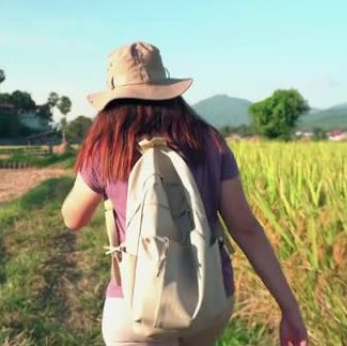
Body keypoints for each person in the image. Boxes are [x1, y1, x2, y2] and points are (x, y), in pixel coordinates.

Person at [61, 41, 308, 346]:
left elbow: (73, 219)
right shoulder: (208, 140)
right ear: (167, 87)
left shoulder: (106, 148)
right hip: (209, 297)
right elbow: (246, 229)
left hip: (135, 304)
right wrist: (289, 307)